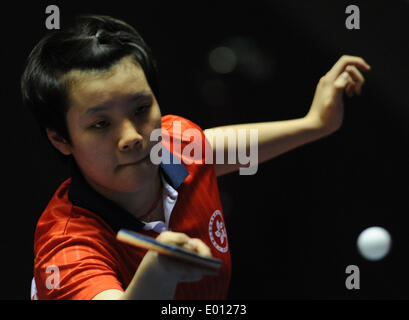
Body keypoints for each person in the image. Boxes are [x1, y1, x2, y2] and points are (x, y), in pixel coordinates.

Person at [21, 14, 370, 300]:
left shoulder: (176, 142)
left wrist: (314, 125)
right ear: (60, 138)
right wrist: (157, 275)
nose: (131, 136)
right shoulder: (66, 247)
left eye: (142, 109)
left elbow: (216, 148)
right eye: (100, 123)